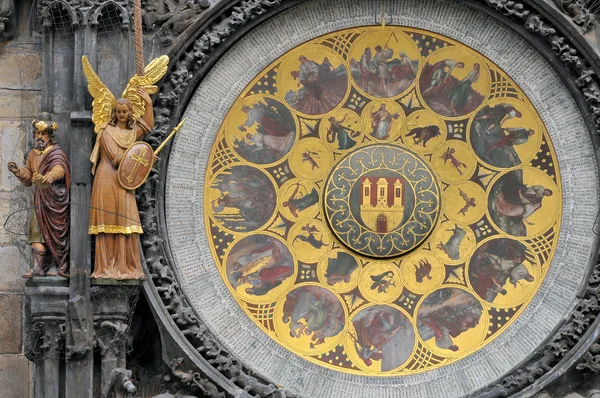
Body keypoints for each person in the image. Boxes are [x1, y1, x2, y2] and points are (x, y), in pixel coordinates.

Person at [88, 88, 154, 280]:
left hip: (125, 181)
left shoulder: (133, 133)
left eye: (125, 111)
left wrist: (148, 104)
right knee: (108, 222)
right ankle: (106, 268)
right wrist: (142, 158)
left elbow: (148, 125)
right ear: (114, 113)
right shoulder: (107, 132)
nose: (122, 115)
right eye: (118, 111)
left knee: (127, 222)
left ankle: (126, 267)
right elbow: (117, 159)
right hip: (108, 178)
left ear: (130, 113)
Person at [8, 119, 70, 277]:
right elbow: (29, 178)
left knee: (56, 234)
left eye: (43, 134)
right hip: (38, 200)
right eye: (37, 133)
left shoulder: (56, 152)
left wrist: (51, 175)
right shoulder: (32, 154)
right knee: (36, 232)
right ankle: (38, 267)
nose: (40, 137)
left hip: (54, 200)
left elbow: (60, 167)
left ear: (49, 136)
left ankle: (55, 265)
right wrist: (18, 172)